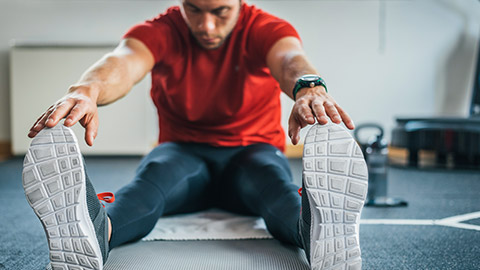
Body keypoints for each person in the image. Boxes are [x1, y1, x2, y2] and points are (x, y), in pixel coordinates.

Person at [23, 0, 368, 269]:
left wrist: (308, 87)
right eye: (194, 10)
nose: (206, 26)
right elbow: (123, 63)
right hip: (182, 152)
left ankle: (315, 232)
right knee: (150, 183)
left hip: (252, 151)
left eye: (220, 12)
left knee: (273, 184)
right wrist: (87, 90)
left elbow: (290, 59)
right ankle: (96, 231)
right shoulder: (161, 30)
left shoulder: (265, 27)